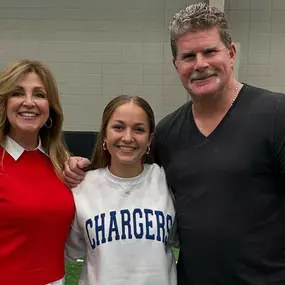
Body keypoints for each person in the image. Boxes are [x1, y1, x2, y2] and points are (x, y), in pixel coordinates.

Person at [64, 3, 285, 285]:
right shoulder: (168, 133)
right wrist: (81, 166)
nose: (200, 64)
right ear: (176, 65)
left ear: (231, 54)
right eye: (188, 56)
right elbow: (127, 175)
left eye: (209, 51)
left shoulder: (277, 114)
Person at [64, 95, 177, 285]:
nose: (127, 137)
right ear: (104, 135)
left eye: (139, 129)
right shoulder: (81, 186)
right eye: (118, 127)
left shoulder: (167, 180)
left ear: (149, 140)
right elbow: (69, 251)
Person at [0, 59, 75, 285]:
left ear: (50, 107)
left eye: (40, 95)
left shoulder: (62, 164)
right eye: (18, 93)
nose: (29, 102)